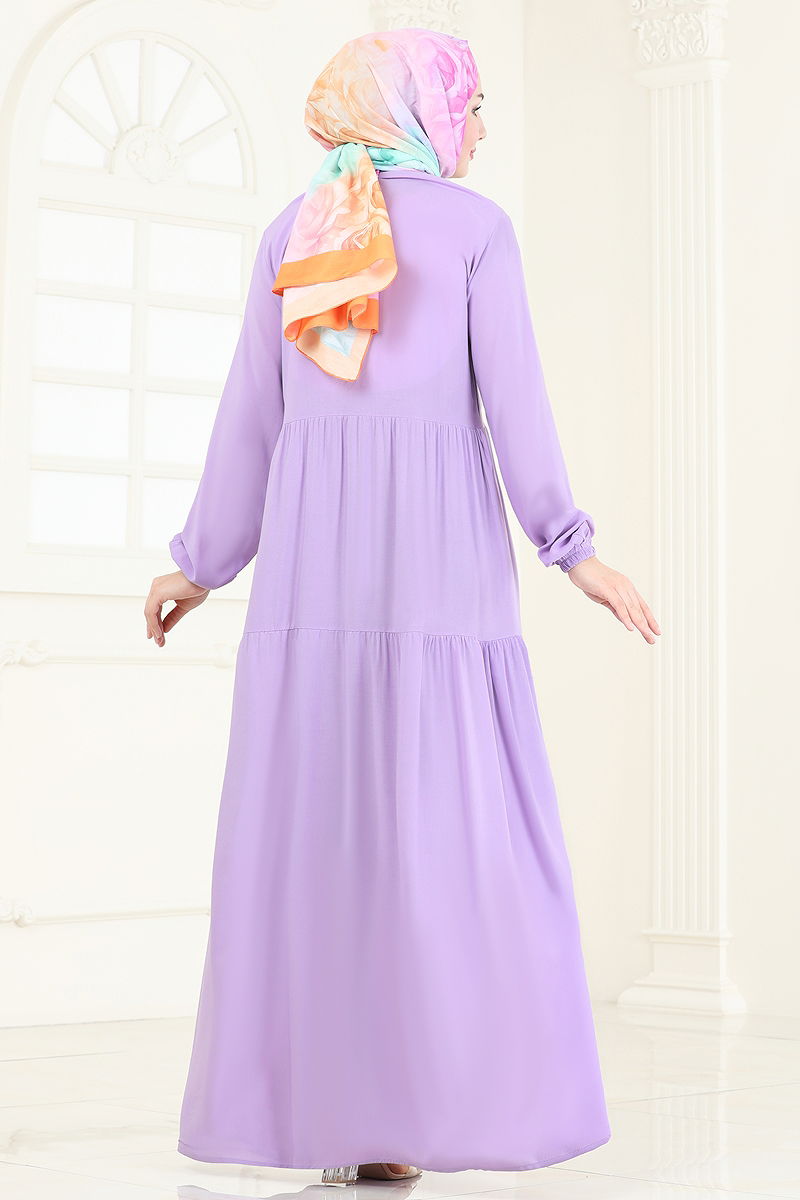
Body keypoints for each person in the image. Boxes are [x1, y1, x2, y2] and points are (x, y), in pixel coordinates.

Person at [144, 27, 659, 1183]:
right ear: (419, 109)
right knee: (440, 844)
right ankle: (413, 1114)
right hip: (436, 573)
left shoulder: (299, 227)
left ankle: (351, 1120)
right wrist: (569, 547)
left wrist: (202, 563)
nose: (478, 129)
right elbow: (514, 404)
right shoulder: (475, 232)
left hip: (316, 573)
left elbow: (251, 419)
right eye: (468, 107)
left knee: (329, 841)